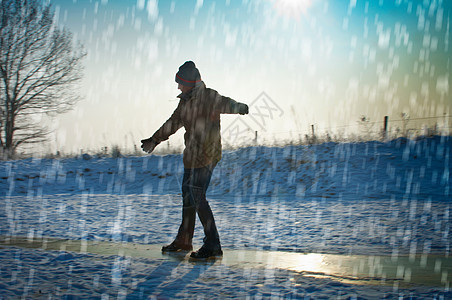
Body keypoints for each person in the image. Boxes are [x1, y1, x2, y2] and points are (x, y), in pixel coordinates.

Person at [141, 61, 249, 259]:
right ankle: (184, 240)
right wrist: (154, 140)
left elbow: (225, 103)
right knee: (188, 197)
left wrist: (238, 106)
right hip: (191, 157)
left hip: (208, 154)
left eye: (180, 82)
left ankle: (213, 244)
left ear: (190, 82)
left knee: (197, 196)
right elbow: (172, 123)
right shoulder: (185, 103)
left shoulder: (208, 97)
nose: (178, 86)